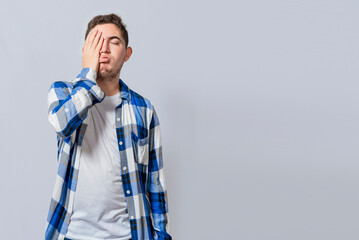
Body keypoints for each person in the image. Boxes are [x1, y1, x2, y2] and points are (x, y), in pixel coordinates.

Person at [45, 13, 172, 240]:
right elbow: (62, 125)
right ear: (86, 51)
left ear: (127, 54)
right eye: (96, 42)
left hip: (129, 235)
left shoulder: (144, 109)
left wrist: (162, 235)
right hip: (74, 234)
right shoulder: (63, 93)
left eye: (113, 42)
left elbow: (156, 182)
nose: (103, 49)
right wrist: (88, 74)